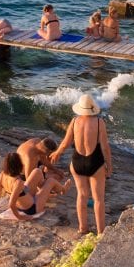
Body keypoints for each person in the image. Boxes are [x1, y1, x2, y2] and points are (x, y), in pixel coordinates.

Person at [50, 94, 113, 235]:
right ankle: (101, 232)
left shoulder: (74, 121)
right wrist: (109, 165)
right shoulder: (99, 122)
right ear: (92, 108)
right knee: (98, 200)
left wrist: (57, 153)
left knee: (82, 195)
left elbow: (66, 142)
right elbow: (105, 147)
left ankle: (82, 228)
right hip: (95, 162)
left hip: (77, 162)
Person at [0, 152, 67, 221]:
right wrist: (20, 217)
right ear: (18, 166)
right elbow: (11, 203)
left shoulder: (2, 175)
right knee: (51, 181)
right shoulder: (18, 182)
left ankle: (43, 192)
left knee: (37, 171)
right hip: (32, 208)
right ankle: (63, 189)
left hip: (26, 199)